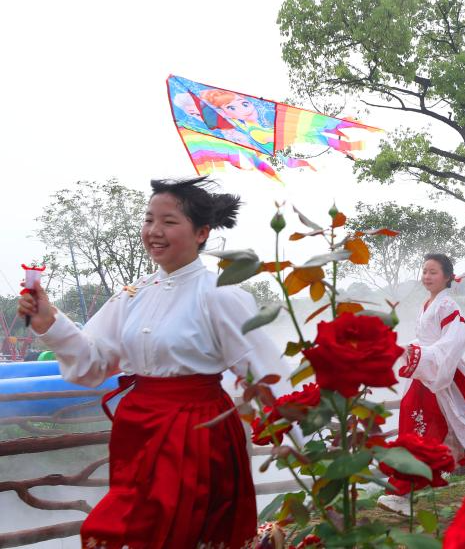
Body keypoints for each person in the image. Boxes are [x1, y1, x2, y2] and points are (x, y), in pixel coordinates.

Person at [17, 177, 289, 548]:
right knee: (118, 528)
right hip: (138, 431)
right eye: (148, 220)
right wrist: (49, 321)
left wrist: (310, 444)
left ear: (202, 232)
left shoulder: (220, 293)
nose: (154, 231)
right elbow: (93, 364)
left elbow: (265, 370)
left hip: (197, 432)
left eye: (169, 222)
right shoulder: (132, 295)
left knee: (179, 532)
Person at [379, 254, 465, 515]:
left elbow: (456, 340)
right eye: (424, 271)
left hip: (445, 377)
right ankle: (405, 493)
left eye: (433, 272)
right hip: (427, 376)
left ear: (448, 276)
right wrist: (415, 352)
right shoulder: (427, 303)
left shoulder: (447, 305)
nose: (427, 276)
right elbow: (428, 340)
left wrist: (423, 356)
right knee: (422, 429)